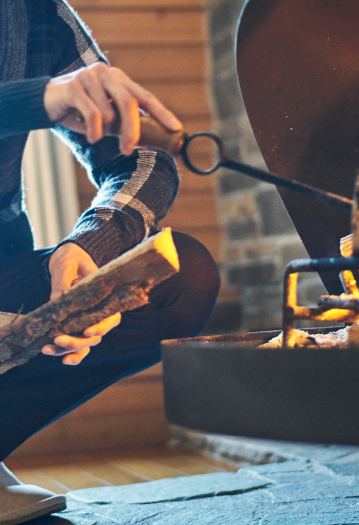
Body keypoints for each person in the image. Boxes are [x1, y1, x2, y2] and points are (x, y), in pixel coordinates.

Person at [0, 1, 220, 523]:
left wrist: (92, 245)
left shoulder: (34, 12)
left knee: (181, 274)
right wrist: (39, 99)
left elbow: (141, 159)